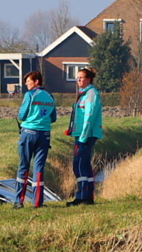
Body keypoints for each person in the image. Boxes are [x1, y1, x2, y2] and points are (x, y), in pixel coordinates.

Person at [13, 71, 57, 209]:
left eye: (28, 81)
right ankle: (37, 202)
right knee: (39, 169)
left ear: (37, 81)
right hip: (44, 134)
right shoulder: (50, 96)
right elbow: (53, 118)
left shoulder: (30, 95)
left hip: (29, 132)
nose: (26, 84)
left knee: (23, 167)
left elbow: (22, 115)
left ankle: (19, 201)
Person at [65, 67, 103, 206]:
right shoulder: (84, 93)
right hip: (80, 133)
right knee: (83, 164)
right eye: (77, 78)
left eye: (81, 77)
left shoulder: (91, 94)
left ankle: (82, 197)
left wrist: (83, 136)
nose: (79, 80)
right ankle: (86, 196)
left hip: (86, 135)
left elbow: (89, 116)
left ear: (89, 79)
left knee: (79, 165)